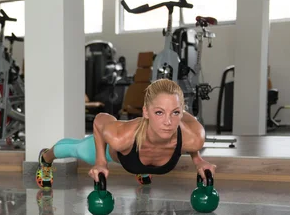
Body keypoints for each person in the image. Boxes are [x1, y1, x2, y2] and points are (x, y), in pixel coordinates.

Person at [35, 79, 216, 190]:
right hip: (115, 151)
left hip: (139, 159)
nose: (168, 122)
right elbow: (100, 119)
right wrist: (100, 161)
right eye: (159, 112)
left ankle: (143, 171)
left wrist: (198, 160)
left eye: (175, 113)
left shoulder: (194, 138)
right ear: (146, 112)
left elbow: (187, 123)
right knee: (76, 149)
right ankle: (45, 158)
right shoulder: (120, 138)